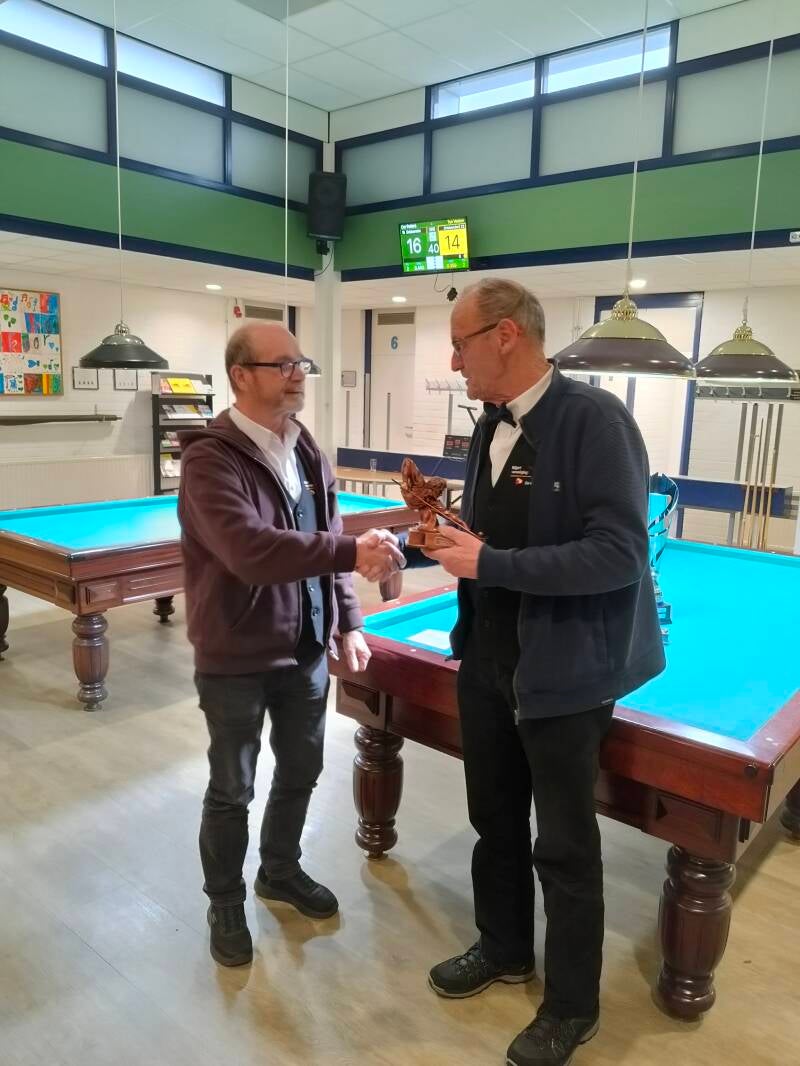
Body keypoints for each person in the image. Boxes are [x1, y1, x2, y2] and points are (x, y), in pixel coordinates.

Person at [422, 279, 666, 1066]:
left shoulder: (596, 420)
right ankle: (503, 948)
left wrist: (488, 560)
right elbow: (495, 540)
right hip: (487, 660)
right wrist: (448, 536)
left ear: (505, 336)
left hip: (566, 675)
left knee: (563, 847)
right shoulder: (486, 426)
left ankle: (571, 1006)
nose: (452, 361)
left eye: (459, 344)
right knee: (494, 822)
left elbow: (620, 554)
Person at [178, 322, 403, 968]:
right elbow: (249, 550)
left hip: (305, 648)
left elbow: (327, 535)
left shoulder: (304, 448)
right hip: (235, 658)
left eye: (301, 363)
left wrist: (349, 620)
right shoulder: (208, 459)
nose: (298, 374)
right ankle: (225, 901)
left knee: (302, 769)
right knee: (233, 788)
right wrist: (352, 551)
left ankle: (279, 869)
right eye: (282, 365)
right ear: (240, 375)